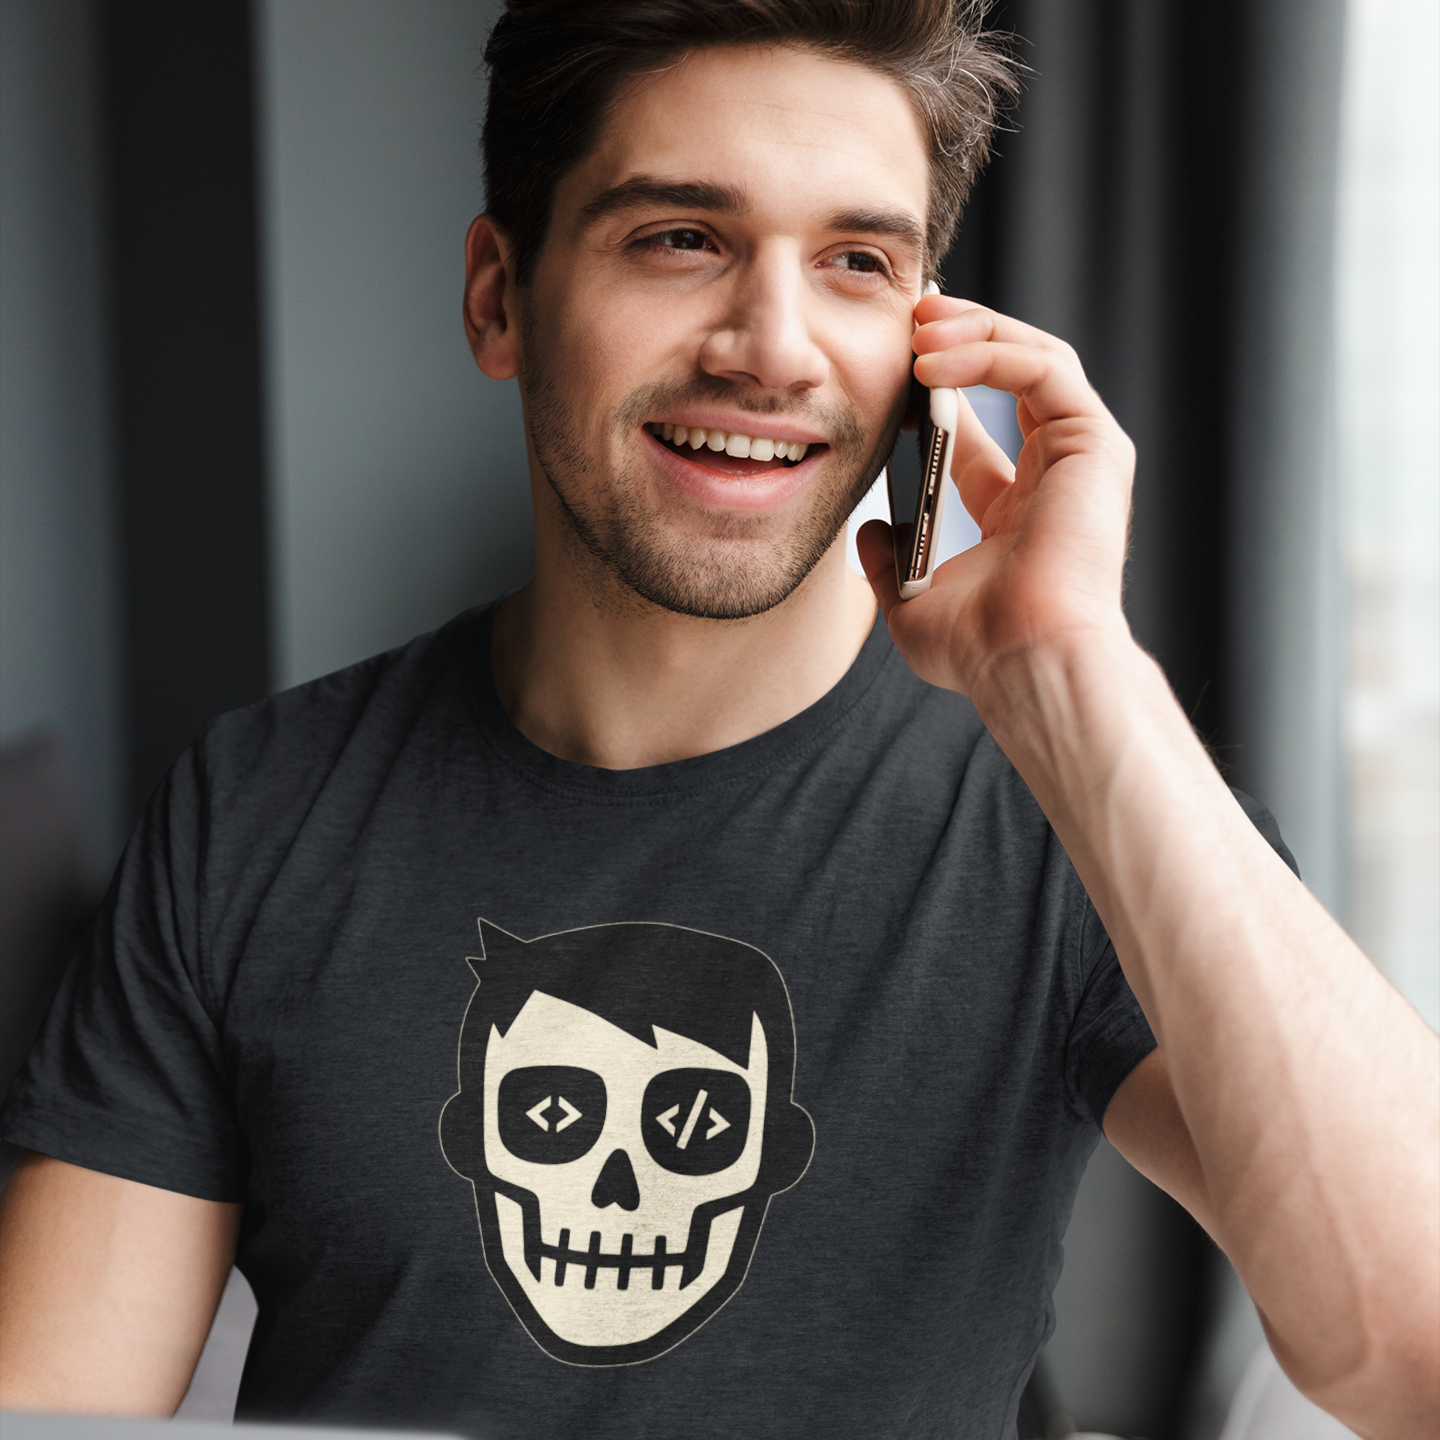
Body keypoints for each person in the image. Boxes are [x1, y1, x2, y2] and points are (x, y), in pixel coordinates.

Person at [1, 1, 1435, 1435]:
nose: (773, 347)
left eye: (857, 262)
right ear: (500, 297)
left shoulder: (1058, 800)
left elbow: (1417, 1354)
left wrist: (1075, 670)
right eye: (680, 237)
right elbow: (56, 1408)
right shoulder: (252, 809)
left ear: (932, 343)